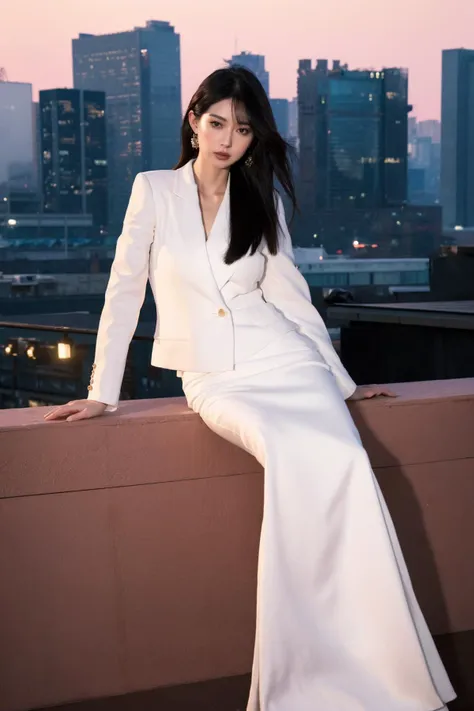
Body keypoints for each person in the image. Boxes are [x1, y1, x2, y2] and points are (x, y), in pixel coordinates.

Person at [44, 67, 456, 711]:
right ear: (193, 120)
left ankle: (378, 665)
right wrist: (103, 391)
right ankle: (304, 675)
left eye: (241, 129)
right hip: (216, 378)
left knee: (346, 461)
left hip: (288, 362)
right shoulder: (153, 190)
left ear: (252, 137)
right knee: (290, 460)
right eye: (216, 123)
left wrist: (341, 383)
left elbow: (291, 299)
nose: (227, 139)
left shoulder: (262, 198)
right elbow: (123, 293)